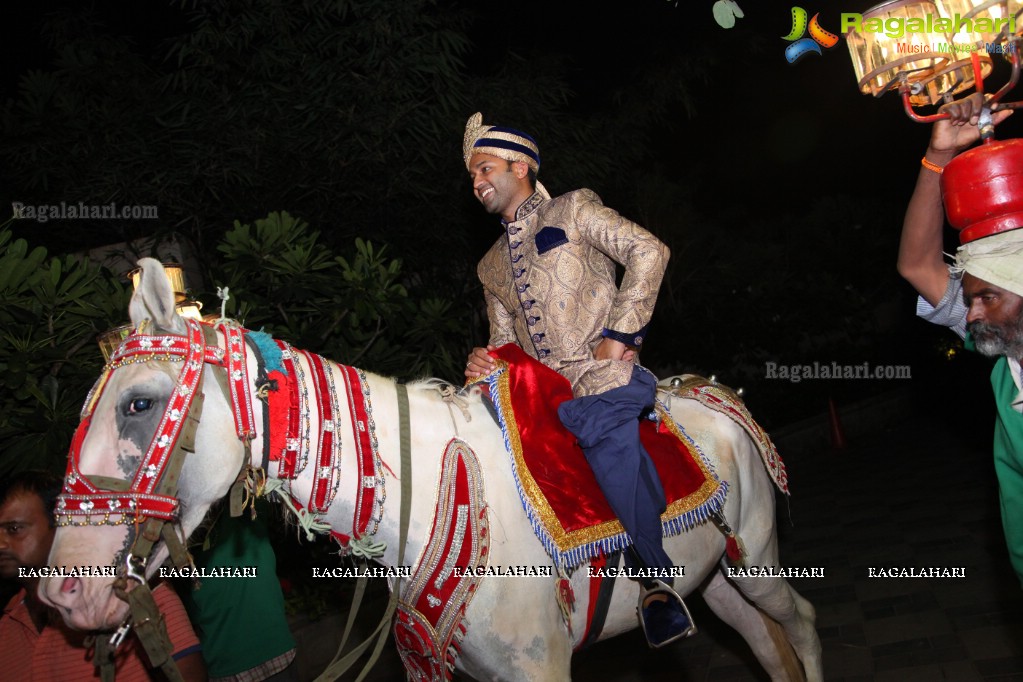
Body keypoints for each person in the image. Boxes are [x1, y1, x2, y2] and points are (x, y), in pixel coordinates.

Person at [461, 112, 694, 645]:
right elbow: (504, 343)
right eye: (473, 176)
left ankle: (656, 583)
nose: (477, 183)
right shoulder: (489, 265)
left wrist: (623, 333)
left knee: (600, 428)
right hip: (543, 391)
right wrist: (486, 362)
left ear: (521, 166)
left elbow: (650, 251)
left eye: (485, 168)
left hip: (601, 374)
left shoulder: (573, 208)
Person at [899, 94, 1023, 588]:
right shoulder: (1004, 361)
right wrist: (939, 157)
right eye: (970, 298)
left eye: (987, 297)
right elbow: (917, 266)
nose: (970, 315)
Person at [0, 469, 207, 680]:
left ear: (61, 528)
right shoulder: (8, 625)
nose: (1, 543)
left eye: (14, 529)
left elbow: (189, 675)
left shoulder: (129, 591)